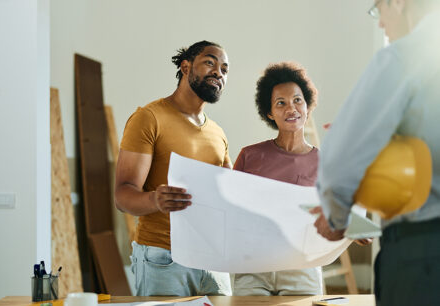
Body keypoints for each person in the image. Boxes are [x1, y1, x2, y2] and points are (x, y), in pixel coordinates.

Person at [314, 1, 440, 305]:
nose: (381, 23)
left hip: (422, 258)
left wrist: (336, 217)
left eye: (378, 9)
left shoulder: (404, 57)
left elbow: (339, 164)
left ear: (397, 3)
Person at [115, 40, 232, 296]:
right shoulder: (149, 118)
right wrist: (156, 199)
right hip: (164, 258)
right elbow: (123, 195)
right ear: (186, 67)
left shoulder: (218, 133)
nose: (218, 73)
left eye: (224, 69)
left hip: (213, 258)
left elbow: (228, 193)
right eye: (210, 62)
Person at [232, 62, 323, 296]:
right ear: (270, 112)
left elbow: (335, 213)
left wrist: (354, 233)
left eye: (297, 100)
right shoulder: (250, 155)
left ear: (307, 105)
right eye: (280, 103)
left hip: (302, 268)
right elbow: (231, 208)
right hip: (253, 268)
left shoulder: (325, 163)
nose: (291, 108)